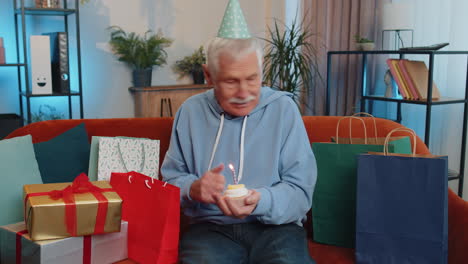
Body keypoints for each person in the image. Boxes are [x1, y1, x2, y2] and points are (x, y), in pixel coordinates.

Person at [160, 36, 317, 263]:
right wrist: (192, 189)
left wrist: (260, 201)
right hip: (210, 230)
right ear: (208, 75)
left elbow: (301, 192)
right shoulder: (190, 113)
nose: (244, 93)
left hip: (277, 229)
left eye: (252, 79)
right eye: (231, 81)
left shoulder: (284, 110)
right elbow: (170, 184)